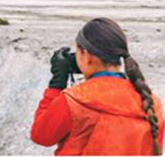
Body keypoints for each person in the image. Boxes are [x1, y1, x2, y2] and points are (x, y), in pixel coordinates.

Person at [30, 18, 164, 155]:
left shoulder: (75, 101)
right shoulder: (152, 105)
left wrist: (57, 83)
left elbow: (41, 135)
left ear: (87, 56)